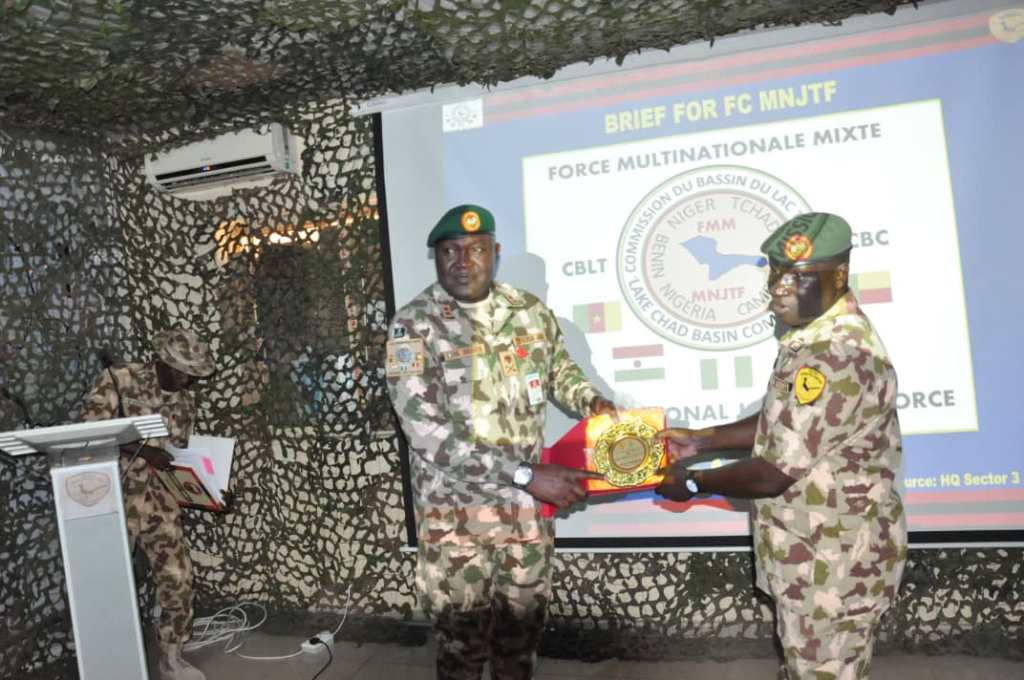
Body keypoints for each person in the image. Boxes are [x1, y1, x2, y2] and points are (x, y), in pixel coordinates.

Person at [655, 213, 907, 680]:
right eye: (775, 274)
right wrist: (706, 439)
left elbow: (771, 474)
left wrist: (691, 482)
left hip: (834, 565)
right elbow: (784, 421)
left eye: (798, 277)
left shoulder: (836, 355)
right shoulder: (815, 337)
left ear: (839, 276)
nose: (778, 289)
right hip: (812, 553)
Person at [386, 204, 616, 680]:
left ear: (496, 252)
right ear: (436, 258)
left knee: (521, 642)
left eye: (475, 249)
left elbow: (559, 371)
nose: (462, 261)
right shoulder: (413, 327)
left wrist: (591, 401)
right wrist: (526, 475)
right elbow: (427, 434)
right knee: (462, 648)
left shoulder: (528, 312)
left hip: (526, 516)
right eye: (449, 251)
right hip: (455, 523)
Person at [80, 328, 215, 680]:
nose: (188, 380)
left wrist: (209, 490)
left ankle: (171, 657)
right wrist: (140, 450)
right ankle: (106, 662)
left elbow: (178, 457)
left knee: (178, 577)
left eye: (193, 374)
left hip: (159, 501)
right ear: (161, 361)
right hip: (113, 495)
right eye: (182, 372)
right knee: (106, 582)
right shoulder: (119, 378)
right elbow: (87, 433)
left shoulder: (185, 402)